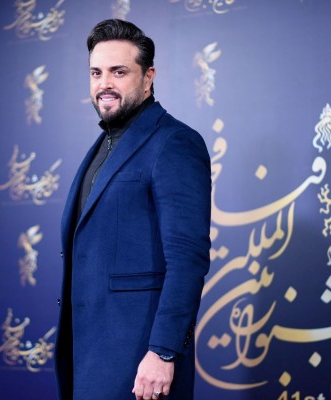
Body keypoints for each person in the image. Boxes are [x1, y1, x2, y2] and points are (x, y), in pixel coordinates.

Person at [55, 19, 211, 400]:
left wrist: (163, 351)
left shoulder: (174, 143)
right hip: (88, 361)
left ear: (148, 77)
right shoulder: (103, 147)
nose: (104, 83)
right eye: (96, 73)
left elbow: (187, 259)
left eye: (118, 72)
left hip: (141, 366)